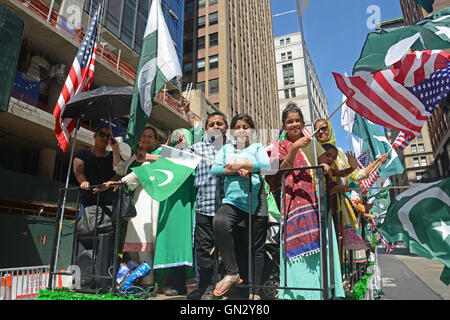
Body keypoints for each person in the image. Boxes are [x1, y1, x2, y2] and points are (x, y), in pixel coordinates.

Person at [268, 105, 344, 300]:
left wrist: (325, 165)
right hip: (293, 202)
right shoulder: (280, 144)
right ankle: (297, 292)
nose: (294, 124)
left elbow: (323, 161)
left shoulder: (311, 142)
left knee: (320, 245)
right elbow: (279, 169)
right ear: (284, 126)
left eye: (297, 120)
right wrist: (294, 147)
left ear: (303, 123)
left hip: (314, 200)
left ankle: (320, 290)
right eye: (289, 121)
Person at [210, 114, 271, 299]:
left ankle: (255, 290)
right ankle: (232, 272)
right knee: (220, 223)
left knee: (256, 248)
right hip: (232, 202)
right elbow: (215, 169)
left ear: (252, 131)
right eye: (238, 127)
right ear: (232, 131)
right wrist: (237, 168)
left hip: (256, 200)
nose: (242, 130)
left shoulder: (257, 147)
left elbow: (266, 165)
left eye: (246, 127)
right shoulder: (227, 148)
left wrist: (246, 164)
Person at [106, 126, 161, 287]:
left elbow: (138, 174)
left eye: (150, 136)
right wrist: (115, 149)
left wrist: (120, 182)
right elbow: (121, 169)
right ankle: (133, 282)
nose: (146, 139)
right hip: (131, 202)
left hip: (147, 200)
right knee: (132, 245)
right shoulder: (134, 157)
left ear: (156, 141)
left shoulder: (156, 156)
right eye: (143, 136)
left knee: (143, 240)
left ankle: (148, 283)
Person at [184, 111, 229, 300]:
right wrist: (148, 156)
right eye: (212, 124)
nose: (217, 127)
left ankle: (228, 287)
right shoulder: (197, 148)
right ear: (205, 129)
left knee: (230, 250)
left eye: (220, 124)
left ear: (226, 127)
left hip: (230, 209)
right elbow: (173, 158)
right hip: (205, 207)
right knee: (204, 250)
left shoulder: (235, 148)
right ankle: (205, 287)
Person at [151, 128, 197, 297]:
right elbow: (153, 157)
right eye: (176, 136)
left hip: (191, 205)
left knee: (193, 244)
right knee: (176, 242)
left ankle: (201, 285)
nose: (180, 139)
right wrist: (169, 145)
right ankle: (178, 284)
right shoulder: (164, 155)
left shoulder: (195, 155)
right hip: (171, 206)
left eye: (183, 137)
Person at [73, 123, 122, 233]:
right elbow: (78, 170)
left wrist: (115, 149)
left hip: (108, 204)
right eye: (101, 134)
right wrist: (84, 181)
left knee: (106, 235)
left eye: (108, 136)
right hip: (88, 203)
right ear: (95, 135)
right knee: (83, 231)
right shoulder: (83, 153)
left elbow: (120, 172)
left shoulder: (112, 156)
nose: (104, 138)